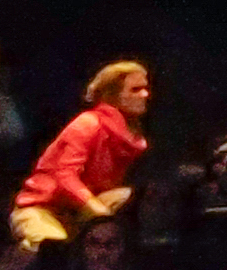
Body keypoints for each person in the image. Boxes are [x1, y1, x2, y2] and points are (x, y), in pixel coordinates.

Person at [10, 52, 155, 251]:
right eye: (135, 89)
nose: (145, 94)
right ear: (112, 95)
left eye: (145, 88)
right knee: (52, 250)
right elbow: (65, 176)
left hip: (81, 212)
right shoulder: (89, 123)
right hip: (44, 208)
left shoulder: (133, 136)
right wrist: (100, 215)